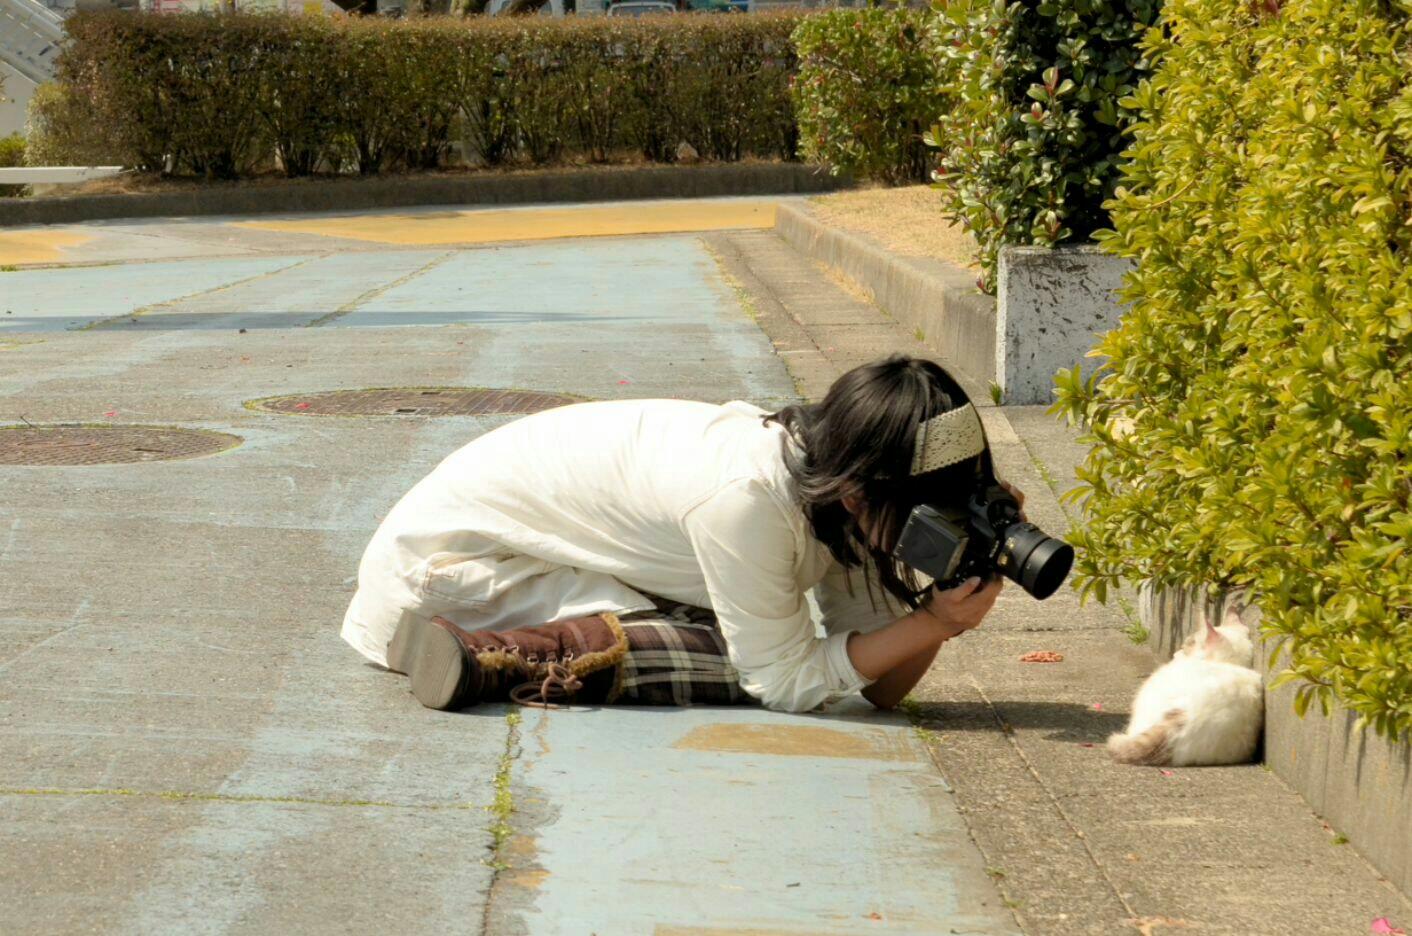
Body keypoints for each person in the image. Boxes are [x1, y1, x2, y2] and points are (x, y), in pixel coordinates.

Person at [341, 355, 1017, 714]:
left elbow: (879, 683)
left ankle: (505, 640)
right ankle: (491, 656)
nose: (937, 522)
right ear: (861, 488)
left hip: (504, 555)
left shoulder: (836, 474)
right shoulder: (749, 498)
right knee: (727, 654)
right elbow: (785, 683)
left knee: (793, 644)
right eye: (932, 506)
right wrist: (927, 623)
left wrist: (945, 610)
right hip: (443, 570)